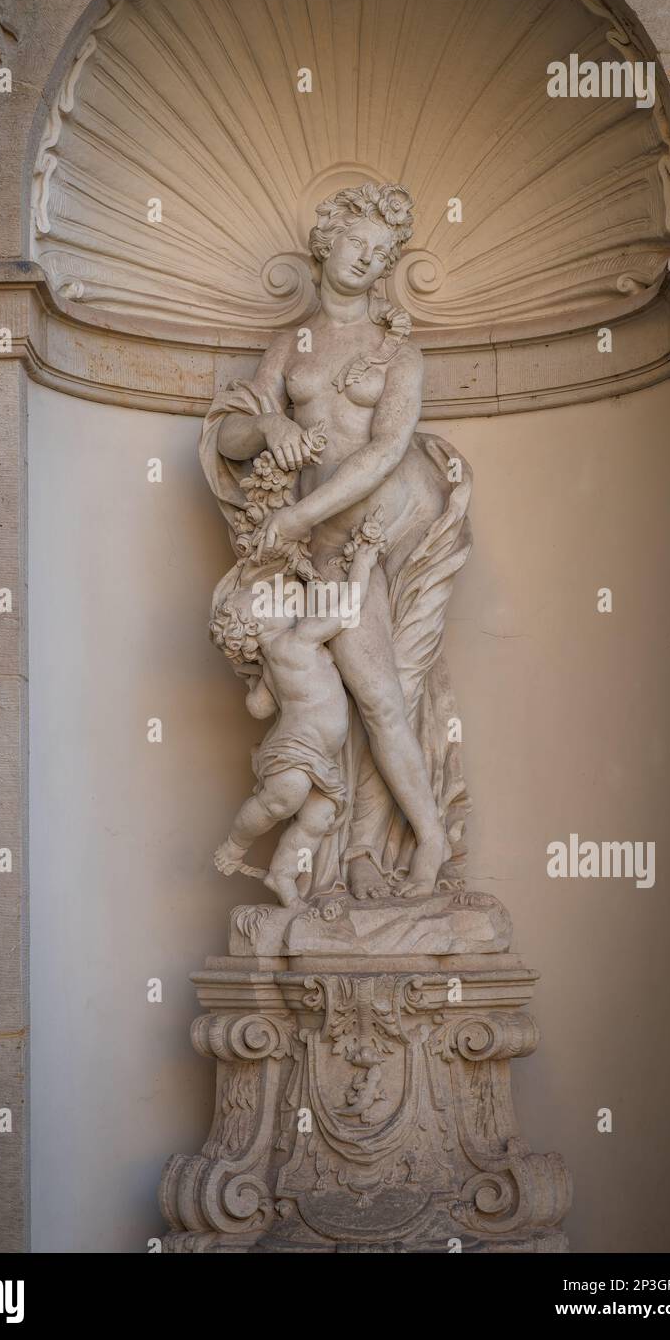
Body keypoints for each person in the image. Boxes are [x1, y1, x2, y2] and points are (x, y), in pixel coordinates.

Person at [202, 182, 472, 900]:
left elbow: (385, 452)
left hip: (379, 534)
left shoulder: (396, 354)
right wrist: (270, 427)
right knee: (357, 700)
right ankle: (351, 854)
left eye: (382, 252)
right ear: (326, 244)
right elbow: (230, 435)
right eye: (357, 242)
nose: (367, 258)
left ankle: (417, 839)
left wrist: (297, 514)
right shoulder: (289, 345)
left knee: (381, 698)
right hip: (316, 551)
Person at [212, 521, 384, 907]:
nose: (284, 600)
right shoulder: (298, 640)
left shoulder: (276, 662)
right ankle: (235, 844)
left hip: (319, 757)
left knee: (319, 817)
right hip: (298, 750)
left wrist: (262, 678)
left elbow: (258, 708)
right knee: (283, 799)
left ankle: (283, 874)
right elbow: (347, 611)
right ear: (257, 624)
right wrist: (364, 562)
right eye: (269, 602)